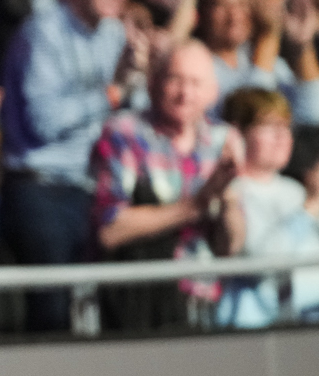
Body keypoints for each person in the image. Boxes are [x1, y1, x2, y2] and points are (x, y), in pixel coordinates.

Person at [0, 0, 147, 330]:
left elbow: (128, 112)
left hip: (94, 190)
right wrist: (114, 92)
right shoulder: (42, 33)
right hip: (40, 191)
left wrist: (138, 81)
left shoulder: (116, 35)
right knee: (54, 316)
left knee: (112, 310)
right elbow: (45, 122)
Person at [90, 40, 236, 332]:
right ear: (153, 84)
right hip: (140, 304)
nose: (185, 94)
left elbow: (230, 246)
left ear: (213, 92)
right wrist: (195, 206)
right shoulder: (125, 133)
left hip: (205, 301)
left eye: (196, 83)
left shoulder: (223, 141)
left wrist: (228, 202)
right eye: (175, 80)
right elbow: (109, 230)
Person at [215, 88, 319, 328]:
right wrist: (311, 207)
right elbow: (262, 264)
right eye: (268, 126)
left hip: (312, 331)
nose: (282, 136)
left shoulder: (295, 193)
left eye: (286, 127)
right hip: (253, 336)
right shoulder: (229, 192)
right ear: (237, 133)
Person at [194, 0, 319, 127]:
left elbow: (313, 112)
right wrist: (269, 33)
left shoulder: (257, 58)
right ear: (203, 12)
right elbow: (250, 116)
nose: (234, 15)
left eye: (242, 4)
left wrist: (301, 44)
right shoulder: (196, 65)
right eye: (221, 4)